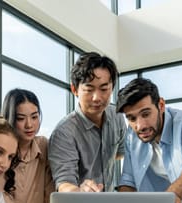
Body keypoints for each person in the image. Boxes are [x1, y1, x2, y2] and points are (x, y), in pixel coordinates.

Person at [48, 52, 126, 192]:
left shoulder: (117, 116)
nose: (97, 97)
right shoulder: (64, 133)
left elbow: (121, 152)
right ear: (74, 89)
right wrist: (80, 191)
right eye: (89, 89)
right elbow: (64, 183)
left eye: (104, 89)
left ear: (112, 87)